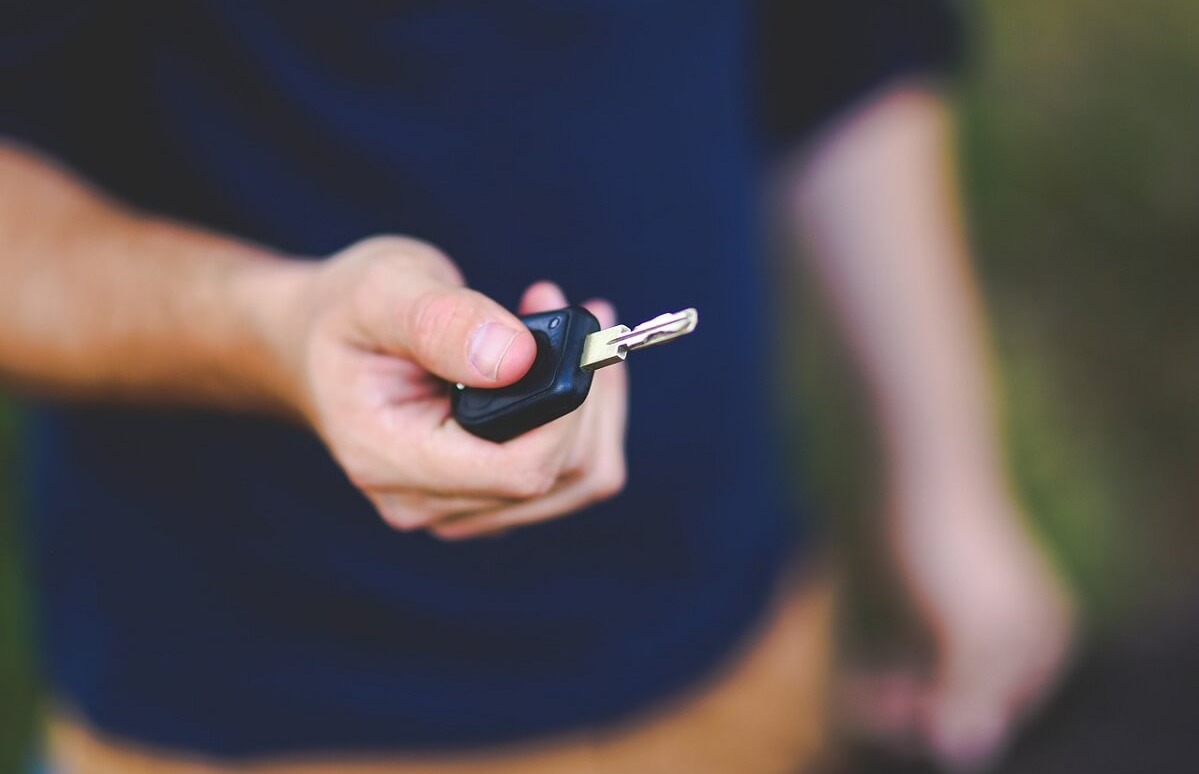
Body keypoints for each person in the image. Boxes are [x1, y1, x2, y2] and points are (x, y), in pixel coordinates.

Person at [0, 2, 1073, 773]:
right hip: (278, 718)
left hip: (746, 649)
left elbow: (837, 34)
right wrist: (280, 327)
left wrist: (947, 476)